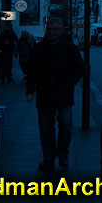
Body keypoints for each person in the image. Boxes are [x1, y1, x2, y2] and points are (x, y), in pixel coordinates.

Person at [26, 17, 84, 172]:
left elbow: (79, 68)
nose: (51, 32)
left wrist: (71, 83)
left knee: (65, 125)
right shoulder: (39, 49)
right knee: (46, 129)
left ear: (61, 31)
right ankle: (48, 158)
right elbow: (32, 71)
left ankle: (62, 153)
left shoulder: (69, 48)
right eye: (49, 29)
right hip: (45, 94)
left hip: (63, 93)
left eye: (55, 29)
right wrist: (30, 90)